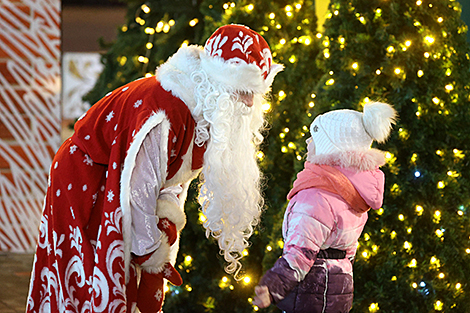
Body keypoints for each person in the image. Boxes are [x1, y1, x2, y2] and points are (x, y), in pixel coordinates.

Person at [26, 24, 283, 313]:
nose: (249, 103)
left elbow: (171, 177)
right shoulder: (166, 111)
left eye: (256, 92)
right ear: (218, 82)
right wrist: (150, 248)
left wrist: (166, 219)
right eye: (243, 90)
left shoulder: (203, 112)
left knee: (128, 273)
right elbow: (140, 188)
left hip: (121, 179)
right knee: (90, 276)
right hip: (87, 176)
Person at [253, 102, 397, 313]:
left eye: (314, 137)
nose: (308, 141)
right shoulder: (354, 191)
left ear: (328, 148)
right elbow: (349, 251)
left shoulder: (317, 195)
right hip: (339, 292)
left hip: (310, 294)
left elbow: (301, 252)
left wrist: (273, 285)